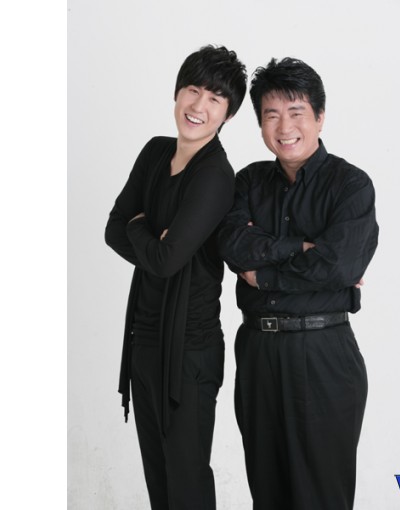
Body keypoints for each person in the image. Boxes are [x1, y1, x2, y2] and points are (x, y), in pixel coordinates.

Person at [217, 57, 379, 510]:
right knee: (267, 494)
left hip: (323, 351)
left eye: (296, 112)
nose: (284, 127)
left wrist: (265, 273)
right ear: (260, 124)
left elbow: (339, 266)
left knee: (320, 498)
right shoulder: (248, 181)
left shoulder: (350, 186)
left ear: (320, 117)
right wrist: (303, 248)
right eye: (271, 115)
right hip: (258, 353)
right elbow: (232, 244)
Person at [105, 45, 247, 510]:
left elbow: (164, 260)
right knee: (160, 486)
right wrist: (149, 235)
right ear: (177, 92)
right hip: (144, 341)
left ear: (227, 114)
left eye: (215, 99)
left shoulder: (215, 176)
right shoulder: (155, 152)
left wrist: (138, 226)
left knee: (186, 486)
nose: (199, 106)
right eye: (193, 90)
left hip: (189, 352)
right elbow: (112, 230)